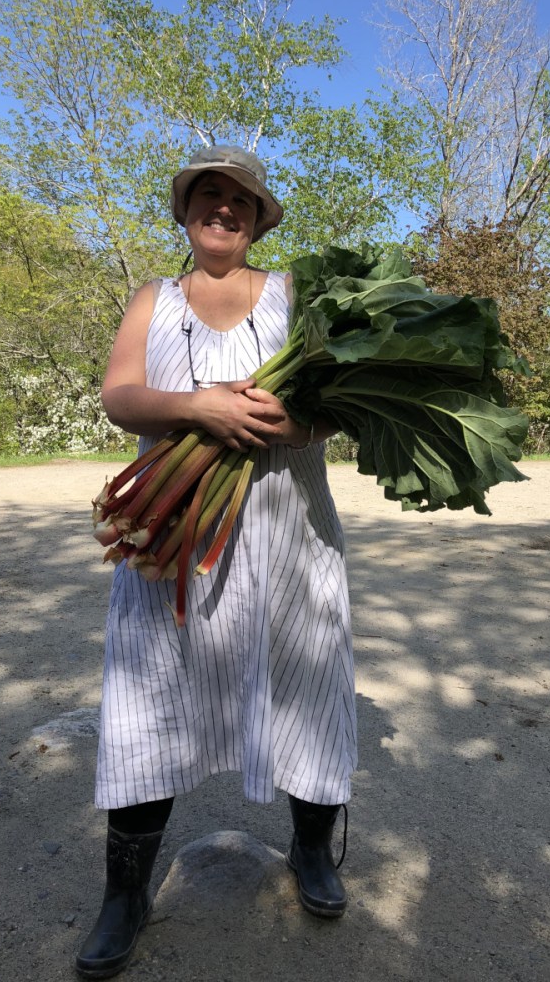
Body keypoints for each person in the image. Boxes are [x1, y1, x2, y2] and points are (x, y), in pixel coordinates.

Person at [75, 145, 358, 978]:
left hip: (288, 538)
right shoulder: (153, 299)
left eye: (240, 197)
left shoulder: (298, 297)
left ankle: (313, 851)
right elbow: (121, 395)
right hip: (169, 546)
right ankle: (124, 894)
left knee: (308, 691)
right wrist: (197, 407)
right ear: (186, 210)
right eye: (208, 192)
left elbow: (336, 406)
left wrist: (299, 427)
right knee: (147, 708)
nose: (223, 206)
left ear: (259, 217)